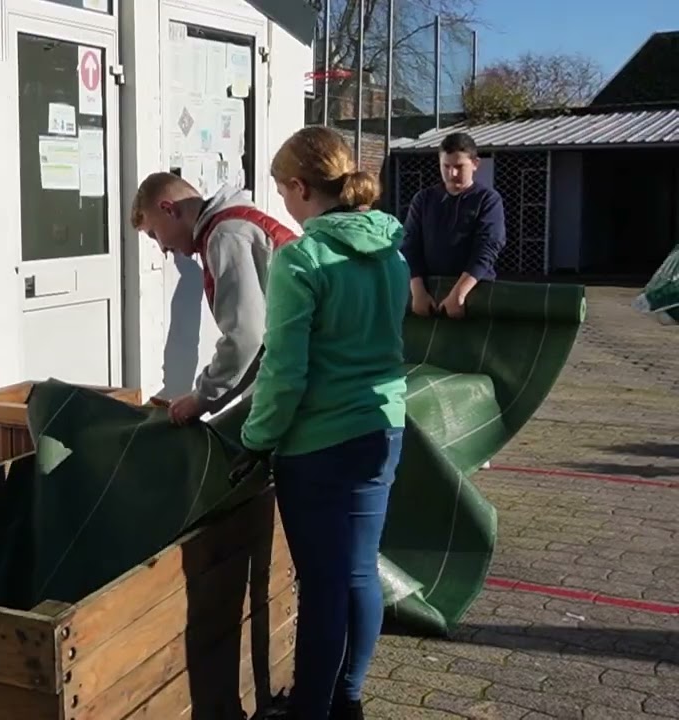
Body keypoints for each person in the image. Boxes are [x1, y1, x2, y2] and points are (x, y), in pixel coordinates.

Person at [233, 126, 409, 720]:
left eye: (282, 191)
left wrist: (256, 440)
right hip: (384, 428)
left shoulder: (302, 256)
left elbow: (284, 370)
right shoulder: (390, 249)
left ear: (298, 186)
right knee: (360, 572)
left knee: (324, 586)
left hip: (321, 445)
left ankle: (310, 708)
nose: (281, 203)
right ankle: (347, 698)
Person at [130, 173, 297, 425]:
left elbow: (246, 336)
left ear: (169, 210)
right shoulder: (235, 225)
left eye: (154, 234)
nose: (162, 248)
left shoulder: (226, 236)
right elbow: (259, 342)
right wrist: (207, 397)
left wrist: (202, 397)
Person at [401, 131, 506, 318]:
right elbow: (409, 246)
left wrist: (459, 293)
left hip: (474, 292)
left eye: (459, 166)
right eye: (446, 166)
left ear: (475, 164)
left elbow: (488, 247)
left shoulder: (488, 199)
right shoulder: (423, 199)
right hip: (429, 293)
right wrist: (417, 291)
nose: (452, 173)